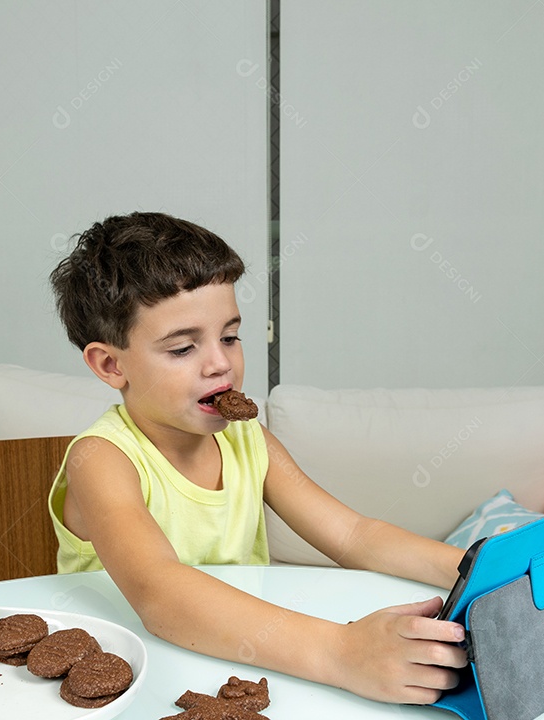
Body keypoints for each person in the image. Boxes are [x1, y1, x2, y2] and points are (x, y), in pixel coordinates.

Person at [47, 211, 468, 704]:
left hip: (245, 663)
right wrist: (341, 650)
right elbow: (160, 594)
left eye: (229, 336)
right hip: (129, 679)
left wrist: (474, 565)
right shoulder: (100, 459)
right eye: (183, 348)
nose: (221, 363)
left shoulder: (249, 441)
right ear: (111, 364)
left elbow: (354, 536)